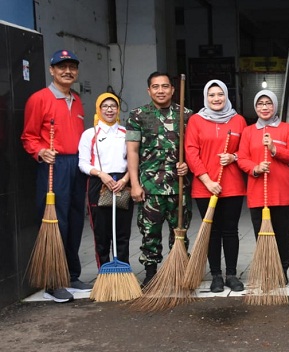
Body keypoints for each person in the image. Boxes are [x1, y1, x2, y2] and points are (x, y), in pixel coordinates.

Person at [21, 49, 92, 303]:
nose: (67, 71)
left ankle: (72, 275)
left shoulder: (77, 100)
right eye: (61, 66)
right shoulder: (39, 99)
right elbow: (28, 135)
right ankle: (53, 281)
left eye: (72, 66)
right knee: (55, 222)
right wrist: (40, 151)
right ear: (52, 70)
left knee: (75, 220)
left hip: (76, 165)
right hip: (54, 165)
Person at [126, 71, 193, 287]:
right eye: (156, 87)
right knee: (149, 233)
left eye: (165, 86)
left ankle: (179, 270)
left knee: (180, 232)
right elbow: (133, 151)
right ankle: (151, 273)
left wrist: (188, 165)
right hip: (149, 187)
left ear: (173, 90)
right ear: (149, 90)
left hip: (179, 186)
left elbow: (193, 149)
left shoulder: (187, 115)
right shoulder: (137, 116)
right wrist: (135, 184)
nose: (161, 90)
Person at [185, 80, 247, 292]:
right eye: (211, 95)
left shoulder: (238, 121)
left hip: (233, 186)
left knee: (230, 231)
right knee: (212, 231)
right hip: (205, 186)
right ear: (205, 97)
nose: (216, 98)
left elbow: (247, 151)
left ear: (226, 96)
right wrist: (207, 180)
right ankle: (216, 275)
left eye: (220, 94)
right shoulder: (196, 120)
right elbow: (191, 152)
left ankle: (231, 274)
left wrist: (234, 156)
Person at [238, 90, 289, 285]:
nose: (264, 107)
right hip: (258, 191)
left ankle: (282, 269)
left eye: (268, 103)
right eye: (260, 103)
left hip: (281, 192)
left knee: (282, 233)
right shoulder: (249, 132)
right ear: (255, 107)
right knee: (262, 234)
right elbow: (242, 159)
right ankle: (267, 269)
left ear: (275, 106)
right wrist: (255, 168)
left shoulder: (287, 129)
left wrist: (275, 150)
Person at [78, 93, 133, 268]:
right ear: (98, 109)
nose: (109, 110)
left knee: (122, 233)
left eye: (113, 106)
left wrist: (125, 179)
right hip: (99, 183)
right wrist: (101, 174)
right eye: (105, 106)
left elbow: (134, 160)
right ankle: (103, 272)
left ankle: (124, 273)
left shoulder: (126, 133)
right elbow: (83, 163)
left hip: (123, 183)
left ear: (118, 109)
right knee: (101, 234)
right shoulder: (90, 134)